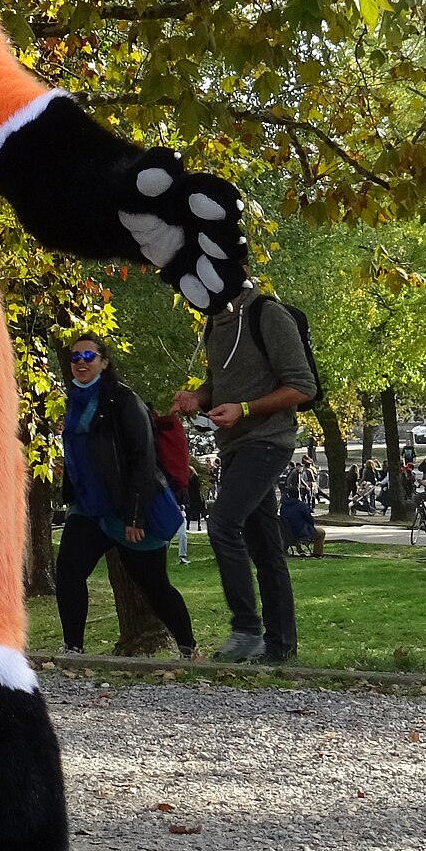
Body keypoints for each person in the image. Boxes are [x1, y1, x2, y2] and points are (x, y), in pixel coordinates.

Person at [171, 281, 317, 663]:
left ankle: (246, 630)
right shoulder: (214, 324)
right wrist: (198, 397)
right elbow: (221, 383)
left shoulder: (268, 315)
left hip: (269, 441)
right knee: (267, 548)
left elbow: (303, 386)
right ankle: (281, 647)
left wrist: (245, 409)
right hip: (233, 445)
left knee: (222, 523)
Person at [55, 335, 197, 659]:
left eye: (89, 355)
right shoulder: (74, 401)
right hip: (89, 510)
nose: (81, 362)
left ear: (104, 362)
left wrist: (135, 516)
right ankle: (73, 648)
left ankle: (189, 648)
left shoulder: (124, 401)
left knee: (154, 587)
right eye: (76, 357)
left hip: (127, 512)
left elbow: (142, 460)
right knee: (69, 570)